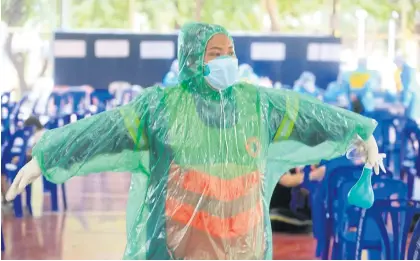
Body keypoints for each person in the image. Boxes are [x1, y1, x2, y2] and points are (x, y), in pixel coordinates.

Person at [6, 22, 385, 260]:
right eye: (215, 54)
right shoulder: (162, 108)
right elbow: (104, 129)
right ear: (191, 59)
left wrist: (359, 132)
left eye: (231, 53)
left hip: (244, 249)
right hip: (178, 248)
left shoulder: (257, 104)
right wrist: (47, 156)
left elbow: (310, 114)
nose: (226, 62)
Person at [23, 116, 47, 217]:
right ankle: (27, 204)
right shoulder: (42, 131)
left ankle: (27, 204)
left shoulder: (40, 134)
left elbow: (35, 149)